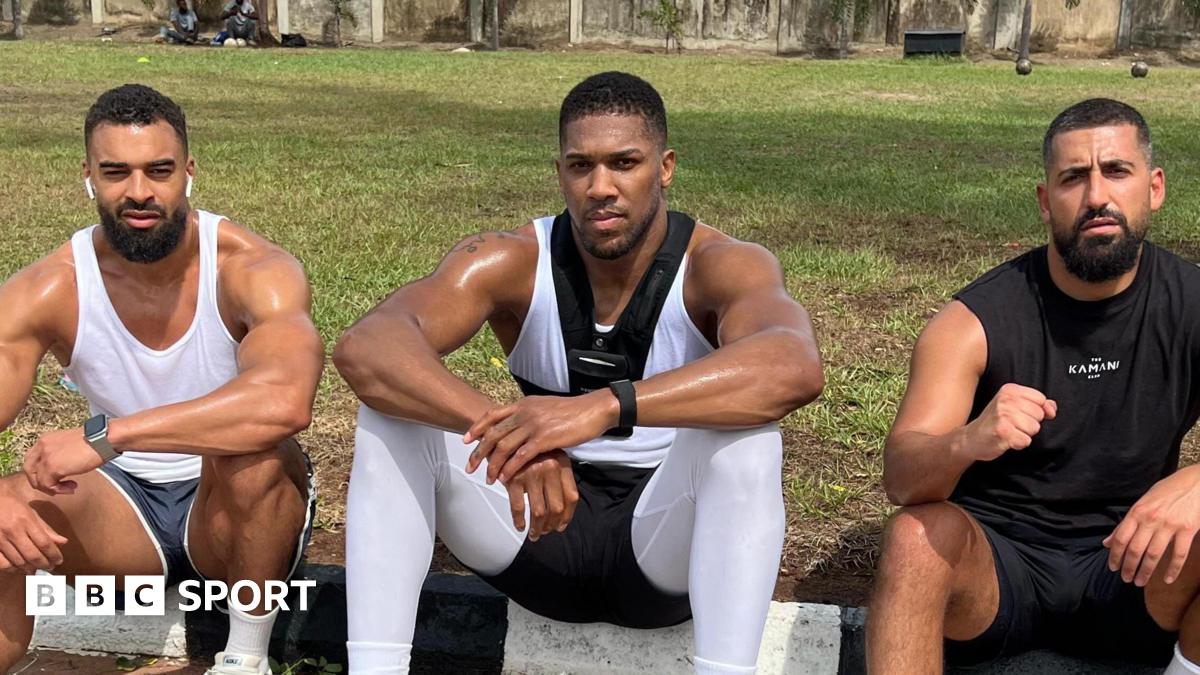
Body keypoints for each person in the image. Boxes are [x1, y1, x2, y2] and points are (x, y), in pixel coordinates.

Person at [334, 71, 824, 675]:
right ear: (559, 172)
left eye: (625, 163)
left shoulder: (723, 264)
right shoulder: (511, 258)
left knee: (747, 441)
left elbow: (793, 366)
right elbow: (368, 346)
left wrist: (598, 408)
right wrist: (513, 433)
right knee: (390, 414)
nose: (601, 187)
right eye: (580, 166)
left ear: (665, 168)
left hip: (664, 550)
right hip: (538, 538)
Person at [867, 98, 1200, 674]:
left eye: (1116, 172)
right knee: (914, 540)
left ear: (1154, 187)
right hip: (1001, 575)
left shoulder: (1192, 303)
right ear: (1047, 202)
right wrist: (965, 441)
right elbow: (901, 477)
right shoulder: (972, 323)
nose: (1097, 196)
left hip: (1136, 569)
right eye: (1074, 178)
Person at [0, 84, 323, 675]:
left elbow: (284, 403)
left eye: (160, 170)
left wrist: (108, 436)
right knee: (9, 505)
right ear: (89, 177)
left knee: (252, 451)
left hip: (231, 519)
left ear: (189, 172)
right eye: (116, 172)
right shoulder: (51, 286)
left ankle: (244, 660)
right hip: (120, 513)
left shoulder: (251, 268)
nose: (140, 192)